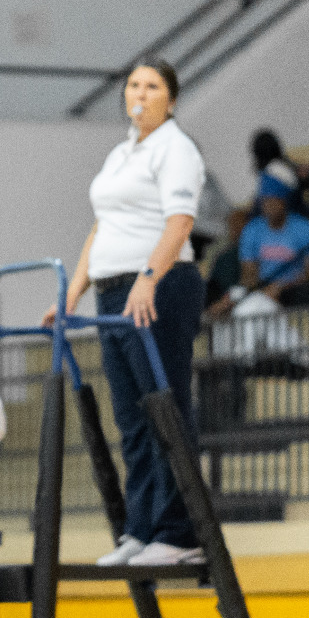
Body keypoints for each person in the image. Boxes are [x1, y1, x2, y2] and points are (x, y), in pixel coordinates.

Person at [47, 59, 209, 569]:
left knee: (164, 407)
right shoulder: (121, 153)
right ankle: (141, 528)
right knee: (131, 417)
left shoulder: (176, 149)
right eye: (134, 85)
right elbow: (102, 227)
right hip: (112, 291)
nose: (140, 93)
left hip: (160, 288)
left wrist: (149, 278)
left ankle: (179, 532)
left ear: (171, 100)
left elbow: (179, 223)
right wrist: (72, 293)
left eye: (153, 86)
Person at [209, 172, 309, 317]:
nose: (269, 206)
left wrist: (281, 288)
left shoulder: (304, 227)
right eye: (266, 201)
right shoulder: (252, 229)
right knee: (240, 302)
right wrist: (262, 291)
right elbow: (249, 274)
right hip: (262, 289)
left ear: (284, 200)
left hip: (294, 290)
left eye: (274, 201)